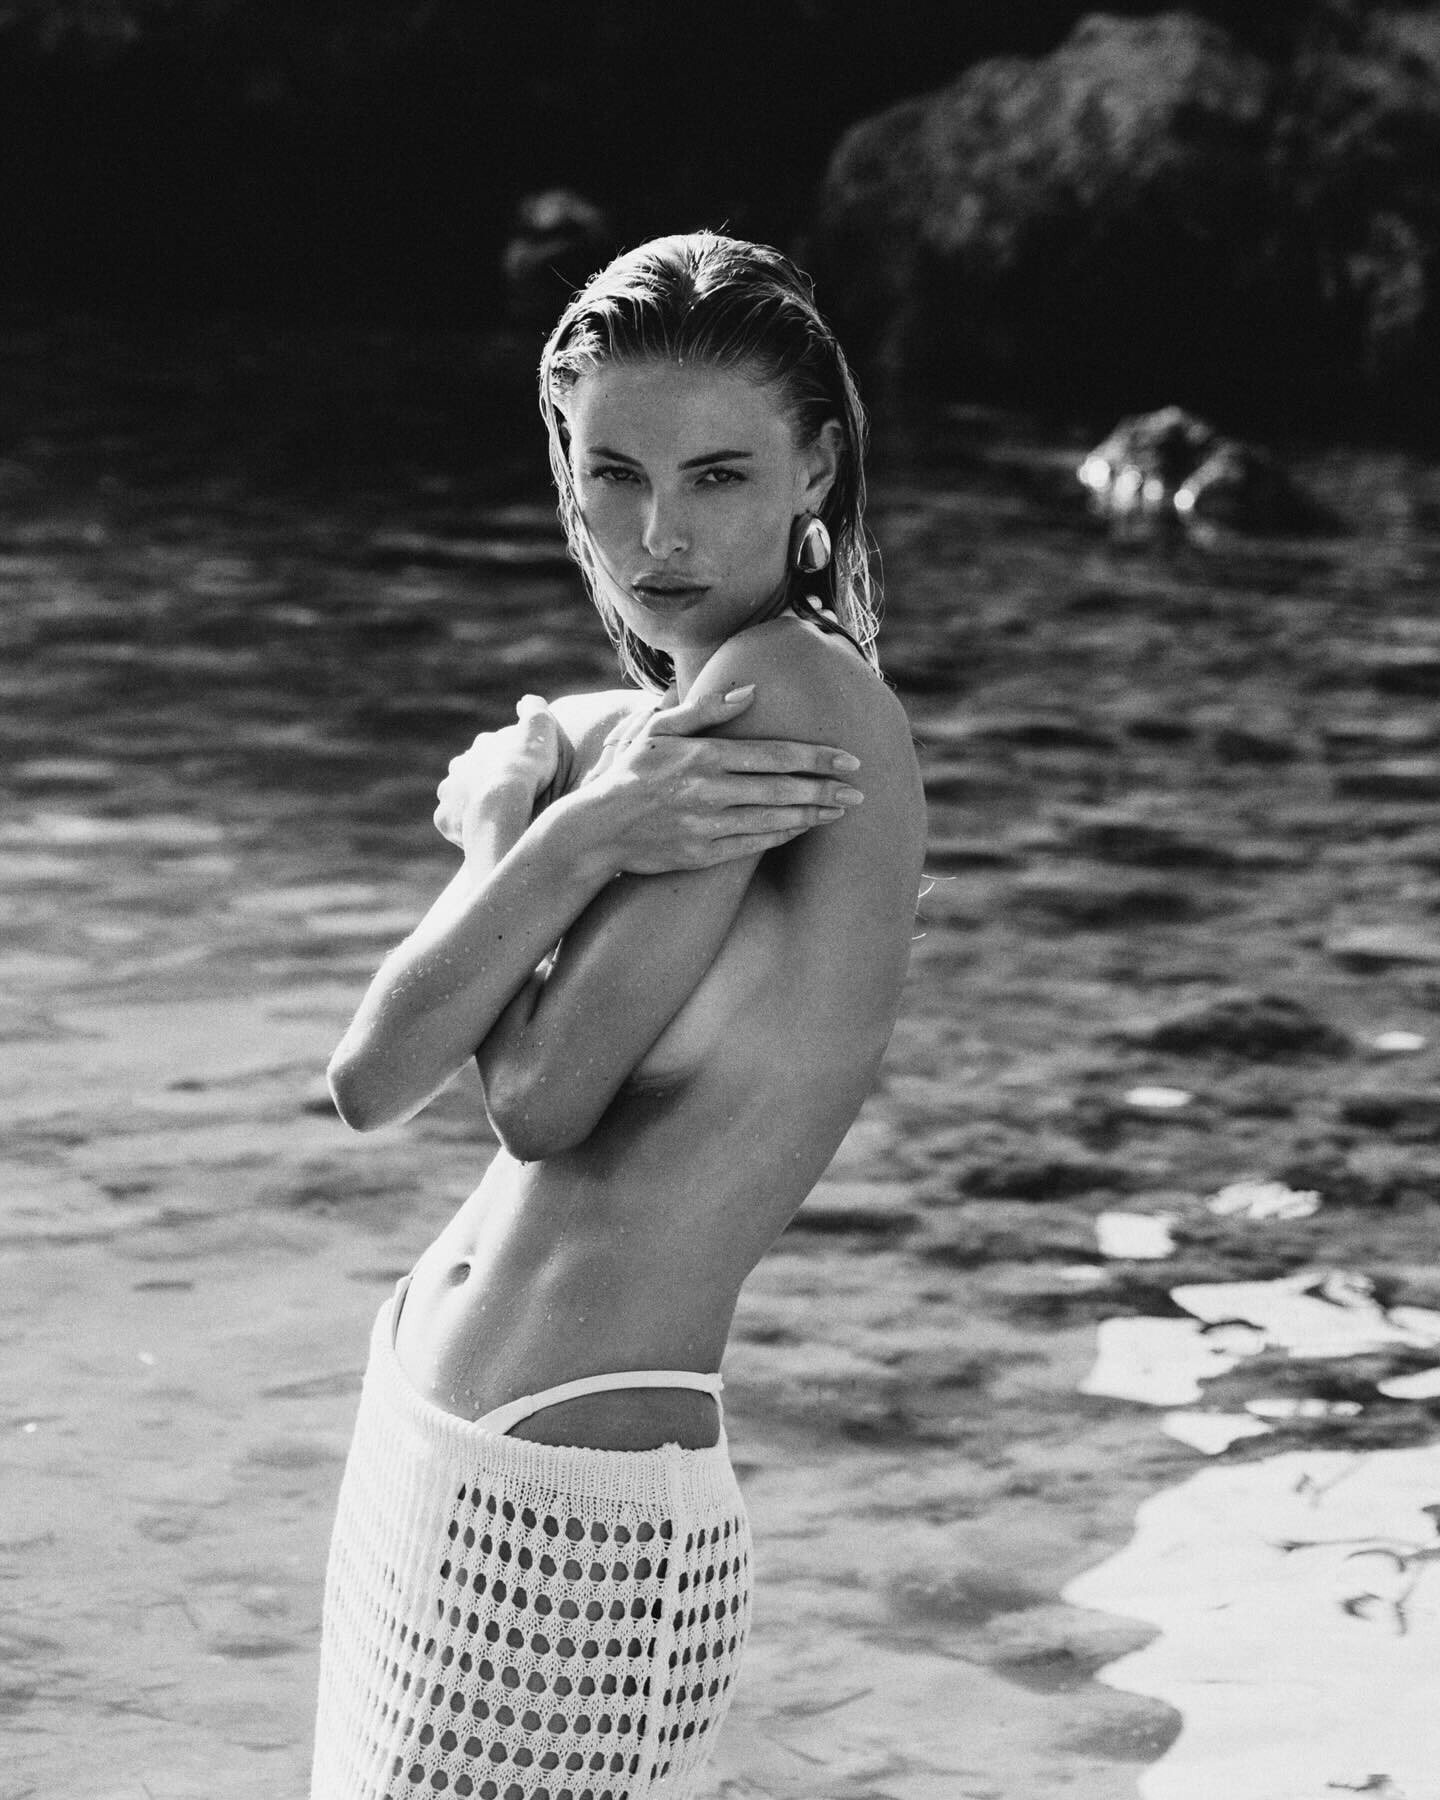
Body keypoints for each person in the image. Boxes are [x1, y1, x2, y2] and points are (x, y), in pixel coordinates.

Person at [310, 230, 926, 1800]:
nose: (659, 534)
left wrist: (541, 842)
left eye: (719, 476)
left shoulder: (785, 696)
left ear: (816, 468)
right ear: (567, 468)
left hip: (565, 1499)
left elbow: (535, 1102)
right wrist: (529, 834)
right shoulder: (656, 723)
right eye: (616, 474)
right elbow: (370, 1078)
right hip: (452, 1457)